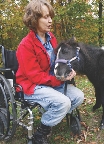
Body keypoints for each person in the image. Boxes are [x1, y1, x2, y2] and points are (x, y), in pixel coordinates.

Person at [16, 0, 84, 143]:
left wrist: (67, 72)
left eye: (50, 16)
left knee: (78, 96)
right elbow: (34, 76)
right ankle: (39, 135)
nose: (50, 20)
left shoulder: (51, 38)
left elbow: (57, 62)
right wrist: (59, 80)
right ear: (34, 19)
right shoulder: (25, 45)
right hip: (31, 86)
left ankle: (53, 116)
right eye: (45, 17)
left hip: (50, 82)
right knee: (64, 103)